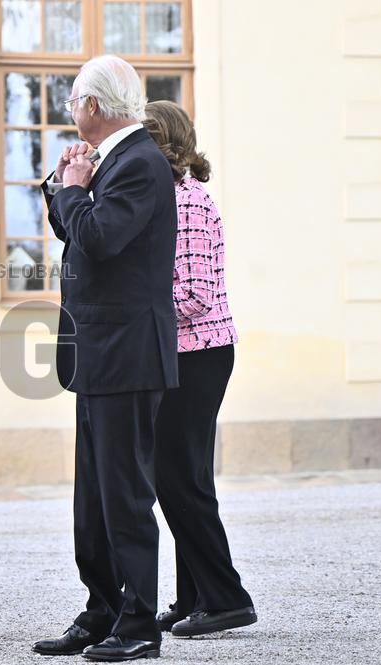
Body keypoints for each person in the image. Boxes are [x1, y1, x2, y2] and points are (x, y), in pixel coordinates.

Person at [31, 56, 178, 661]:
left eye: (73, 101)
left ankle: (139, 624)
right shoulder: (110, 160)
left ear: (92, 105)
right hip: (98, 352)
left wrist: (74, 189)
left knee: (124, 497)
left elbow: (98, 237)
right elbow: (77, 229)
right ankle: (101, 610)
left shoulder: (140, 162)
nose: (71, 111)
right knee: (91, 501)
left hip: (127, 354)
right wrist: (62, 185)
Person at [142, 100, 257, 637]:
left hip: (198, 354)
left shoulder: (186, 202)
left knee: (177, 479)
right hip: (186, 352)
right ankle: (194, 597)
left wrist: (134, 304)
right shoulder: (171, 197)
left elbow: (193, 295)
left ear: (159, 144)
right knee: (184, 477)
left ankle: (227, 598)